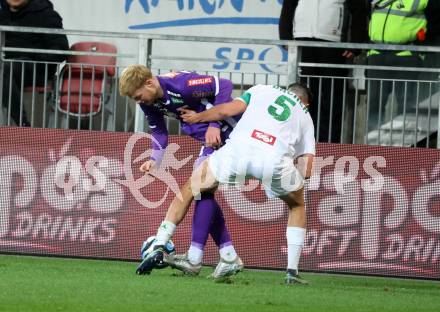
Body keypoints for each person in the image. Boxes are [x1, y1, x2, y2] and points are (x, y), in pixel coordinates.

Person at [137, 83, 315, 285]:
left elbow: (225, 110)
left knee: (190, 189)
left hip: (238, 151)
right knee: (297, 205)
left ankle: (160, 243)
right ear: (306, 103)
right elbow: (306, 169)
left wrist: (198, 117)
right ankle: (292, 272)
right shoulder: (305, 116)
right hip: (274, 160)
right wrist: (290, 172)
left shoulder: (261, 89)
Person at [119, 65, 243, 278]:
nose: (138, 101)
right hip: (211, 142)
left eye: (138, 96)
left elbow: (224, 85)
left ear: (149, 83)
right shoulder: (149, 101)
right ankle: (224, 255)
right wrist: (154, 160)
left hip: (234, 133)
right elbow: (159, 131)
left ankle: (201, 257)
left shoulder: (182, 85)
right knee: (202, 191)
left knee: (198, 188)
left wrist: (214, 123)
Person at [279, 0, 369, 143]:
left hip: (334, 41)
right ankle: (302, 141)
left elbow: (359, 10)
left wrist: (355, 43)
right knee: (303, 96)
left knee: (332, 96)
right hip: (302, 40)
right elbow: (288, 6)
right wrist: (285, 37)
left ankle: (329, 143)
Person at [366, 0, 434, 132]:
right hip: (377, 54)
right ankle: (372, 141)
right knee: (375, 102)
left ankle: (401, 144)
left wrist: (420, 44)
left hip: (406, 55)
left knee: (405, 103)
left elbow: (435, 21)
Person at [0, 0, 69, 127]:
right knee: (3, 68)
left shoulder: (46, 14)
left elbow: (61, 48)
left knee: (5, 69)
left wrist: (35, 57)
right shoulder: (2, 12)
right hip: (6, 67)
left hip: (36, 69)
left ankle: (23, 124)